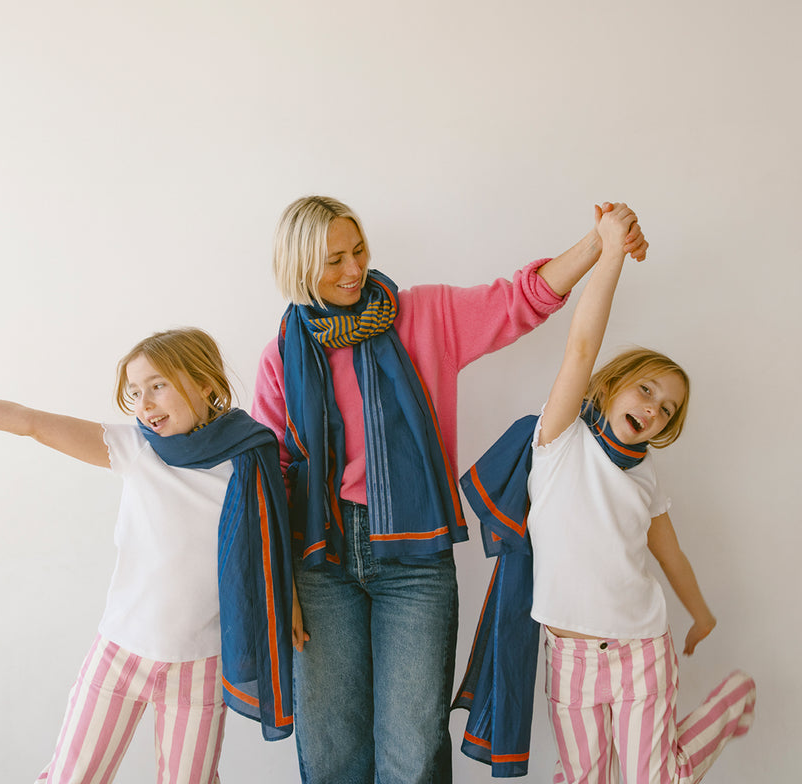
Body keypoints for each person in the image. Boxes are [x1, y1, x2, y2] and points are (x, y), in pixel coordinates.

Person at [250, 195, 648, 784]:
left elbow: (521, 299)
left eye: (358, 250)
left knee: (412, 752)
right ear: (299, 266)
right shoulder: (283, 355)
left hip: (414, 556)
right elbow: (272, 479)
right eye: (334, 260)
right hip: (320, 561)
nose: (354, 269)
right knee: (333, 752)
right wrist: (278, 589)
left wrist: (600, 241)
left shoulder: (423, 314)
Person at [0, 327, 293, 784]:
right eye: (135, 392)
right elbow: (27, 420)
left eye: (158, 385)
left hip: (202, 663)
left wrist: (293, 608)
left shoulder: (250, 458)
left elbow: (272, 546)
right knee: (73, 777)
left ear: (206, 383)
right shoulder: (135, 450)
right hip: (120, 654)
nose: (145, 404)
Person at [462, 204, 754, 783]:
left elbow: (669, 555)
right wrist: (611, 252)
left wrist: (699, 614)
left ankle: (733, 698)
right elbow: (580, 347)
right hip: (571, 661)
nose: (652, 407)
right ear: (612, 385)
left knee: (657, 779)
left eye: (665, 408)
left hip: (641, 651)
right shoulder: (560, 438)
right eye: (646, 389)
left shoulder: (646, 478)